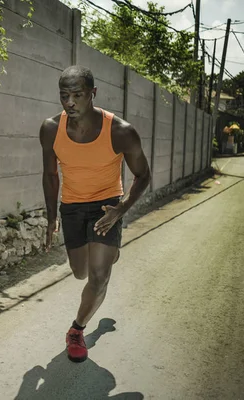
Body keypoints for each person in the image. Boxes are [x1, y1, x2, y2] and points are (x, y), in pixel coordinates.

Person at [39, 65, 151, 363]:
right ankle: (108, 252)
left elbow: (143, 175)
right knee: (81, 273)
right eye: (65, 96)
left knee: (99, 277)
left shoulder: (121, 131)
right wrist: (52, 217)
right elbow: (50, 175)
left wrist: (121, 209)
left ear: (93, 94)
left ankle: (77, 331)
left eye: (77, 95)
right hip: (72, 207)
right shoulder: (51, 128)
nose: (70, 103)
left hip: (106, 207)